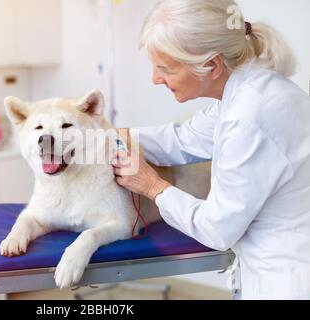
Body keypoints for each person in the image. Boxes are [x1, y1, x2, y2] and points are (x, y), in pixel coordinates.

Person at [112, 0, 310, 300]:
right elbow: (183, 139)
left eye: (164, 68)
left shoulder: (250, 116)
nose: (155, 79)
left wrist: (152, 186)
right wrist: (108, 138)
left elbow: (217, 230)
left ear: (212, 65)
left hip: (284, 281)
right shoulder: (249, 89)